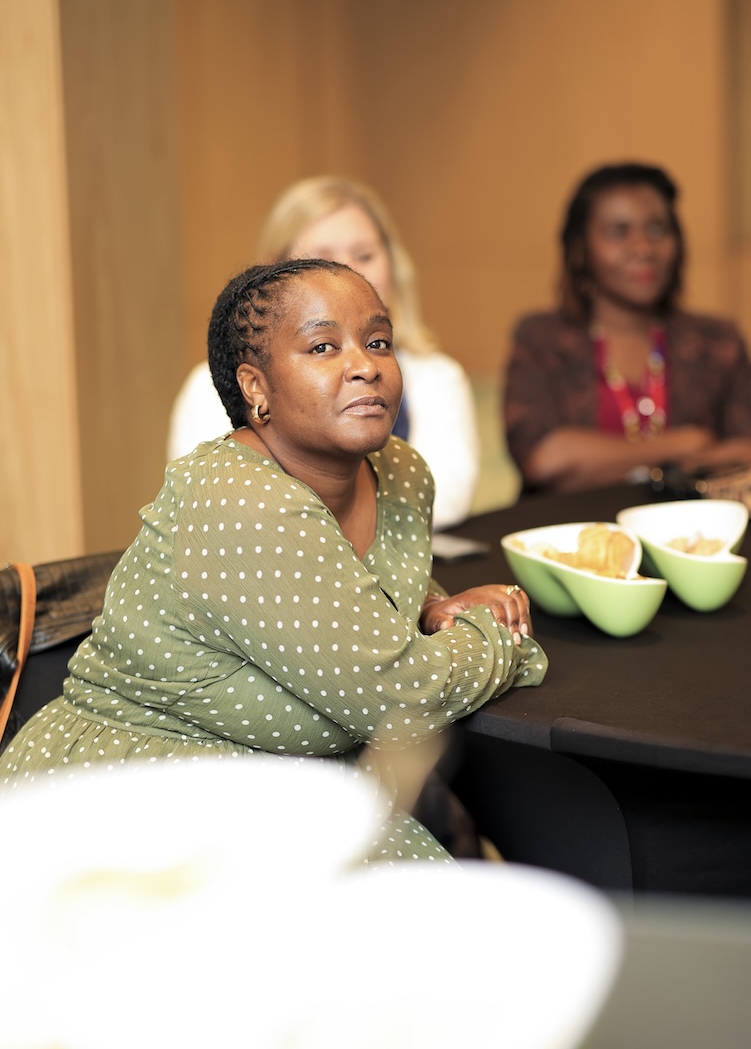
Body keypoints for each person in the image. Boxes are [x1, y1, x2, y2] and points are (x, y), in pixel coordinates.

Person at [3, 259, 547, 864]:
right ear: (256, 388)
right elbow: (403, 698)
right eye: (323, 347)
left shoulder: (401, 473)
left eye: (377, 342)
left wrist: (431, 607)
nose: (366, 365)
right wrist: (496, 634)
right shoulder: (239, 498)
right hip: (134, 792)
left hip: (286, 787)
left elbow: (359, 586)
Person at [168, 176, 480, 530]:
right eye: (322, 260)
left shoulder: (438, 376)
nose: (348, 274)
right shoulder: (207, 388)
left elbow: (445, 497)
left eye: (365, 255)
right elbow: (212, 505)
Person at [504, 162, 751, 492]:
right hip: (571, 524)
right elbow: (544, 460)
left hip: (691, 522)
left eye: (656, 230)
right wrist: (686, 444)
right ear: (581, 248)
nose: (643, 248)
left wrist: (615, 465)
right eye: (618, 232)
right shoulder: (542, 338)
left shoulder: (716, 340)